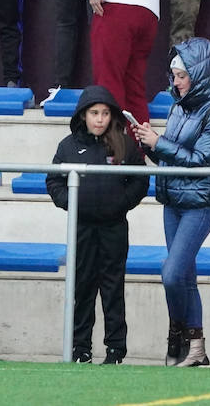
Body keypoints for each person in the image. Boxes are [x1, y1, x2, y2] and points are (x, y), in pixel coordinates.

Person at [133, 37, 210, 368]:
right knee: (183, 277)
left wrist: (158, 143)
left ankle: (180, 336)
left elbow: (202, 159)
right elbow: (171, 157)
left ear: (199, 74)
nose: (175, 82)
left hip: (200, 202)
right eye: (174, 75)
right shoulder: (177, 108)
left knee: (173, 274)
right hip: (173, 199)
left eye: (181, 75)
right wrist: (148, 143)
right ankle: (196, 348)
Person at [45, 84, 149, 365]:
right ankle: (81, 349)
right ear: (83, 115)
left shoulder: (124, 144)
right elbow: (53, 180)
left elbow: (140, 179)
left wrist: (121, 203)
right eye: (94, 113)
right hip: (81, 228)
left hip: (114, 228)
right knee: (83, 287)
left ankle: (115, 349)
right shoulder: (68, 146)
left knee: (113, 288)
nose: (100, 119)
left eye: (104, 113)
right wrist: (71, 201)